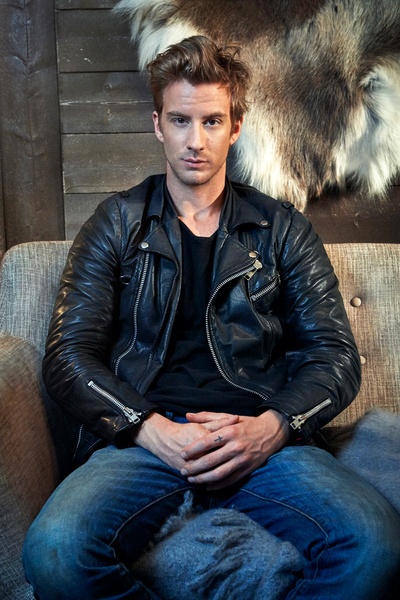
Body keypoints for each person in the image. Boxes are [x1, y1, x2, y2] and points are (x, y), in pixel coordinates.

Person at [23, 36, 400, 599]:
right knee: (54, 552)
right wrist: (149, 428)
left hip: (260, 438)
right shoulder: (117, 222)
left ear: (236, 127)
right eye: (180, 120)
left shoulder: (282, 229)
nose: (195, 141)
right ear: (157, 124)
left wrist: (274, 427)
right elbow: (68, 354)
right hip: (147, 439)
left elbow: (334, 355)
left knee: (376, 545)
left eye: (212, 121)